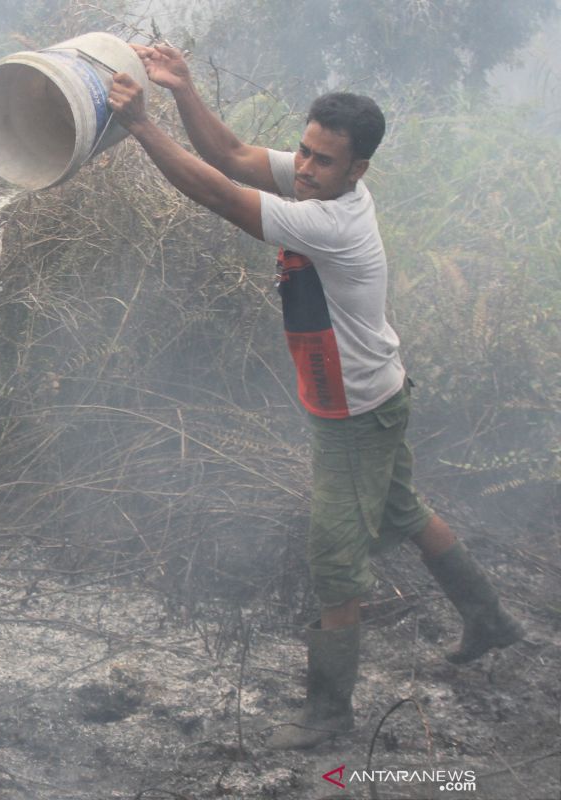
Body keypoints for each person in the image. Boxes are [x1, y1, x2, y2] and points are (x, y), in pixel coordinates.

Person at [106, 44, 525, 750]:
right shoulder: (318, 188)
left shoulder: (330, 223)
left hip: (356, 415)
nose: (303, 168)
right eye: (303, 151)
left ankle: (329, 716)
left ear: (357, 170)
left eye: (323, 161)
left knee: (336, 561)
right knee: (403, 510)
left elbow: (215, 191)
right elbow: (235, 153)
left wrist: (143, 127)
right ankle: (489, 620)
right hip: (374, 396)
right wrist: (180, 90)